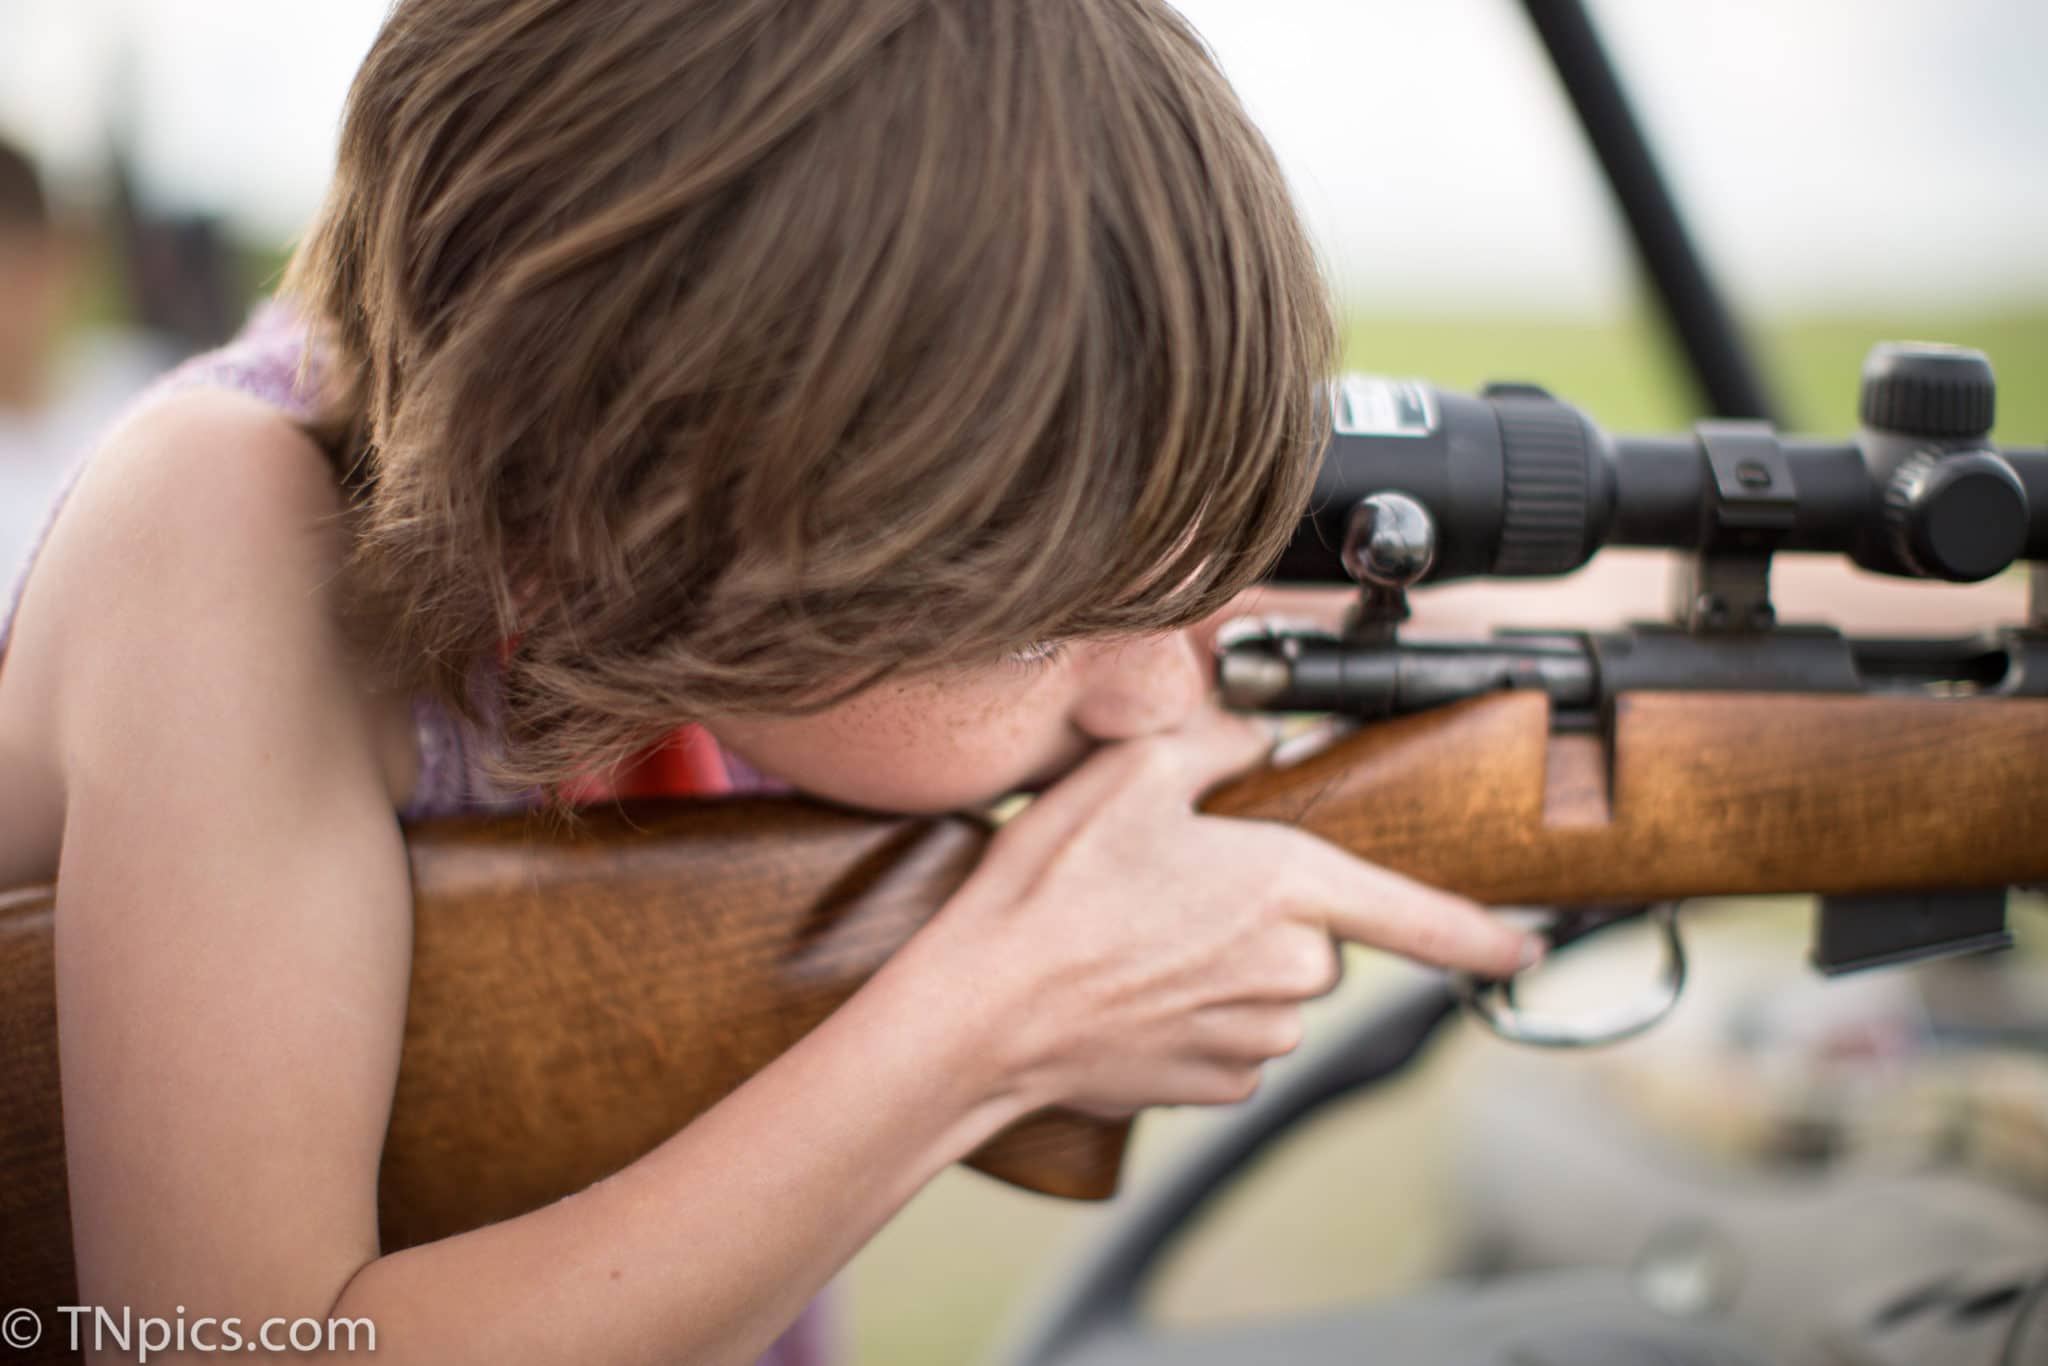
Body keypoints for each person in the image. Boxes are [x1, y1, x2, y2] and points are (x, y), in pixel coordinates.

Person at [0, 2, 1541, 1362]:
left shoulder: (856, 481)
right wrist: (995, 1016)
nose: (1156, 691)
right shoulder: (220, 540)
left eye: (1188, 579)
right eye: (1032, 628)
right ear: (598, 538)